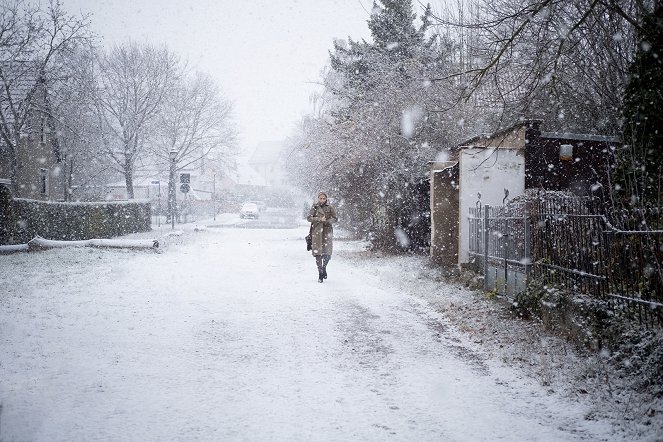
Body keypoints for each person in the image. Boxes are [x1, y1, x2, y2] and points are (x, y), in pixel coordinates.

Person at [306, 192, 337, 283]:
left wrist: (327, 221)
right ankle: (320, 273)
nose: (322, 200)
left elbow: (335, 218)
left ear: (326, 199)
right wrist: (319, 219)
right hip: (317, 232)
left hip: (327, 232)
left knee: (327, 253)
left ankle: (324, 268)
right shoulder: (315, 207)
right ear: (318, 199)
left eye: (324, 198)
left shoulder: (330, 207)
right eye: (321, 198)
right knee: (318, 253)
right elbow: (309, 218)